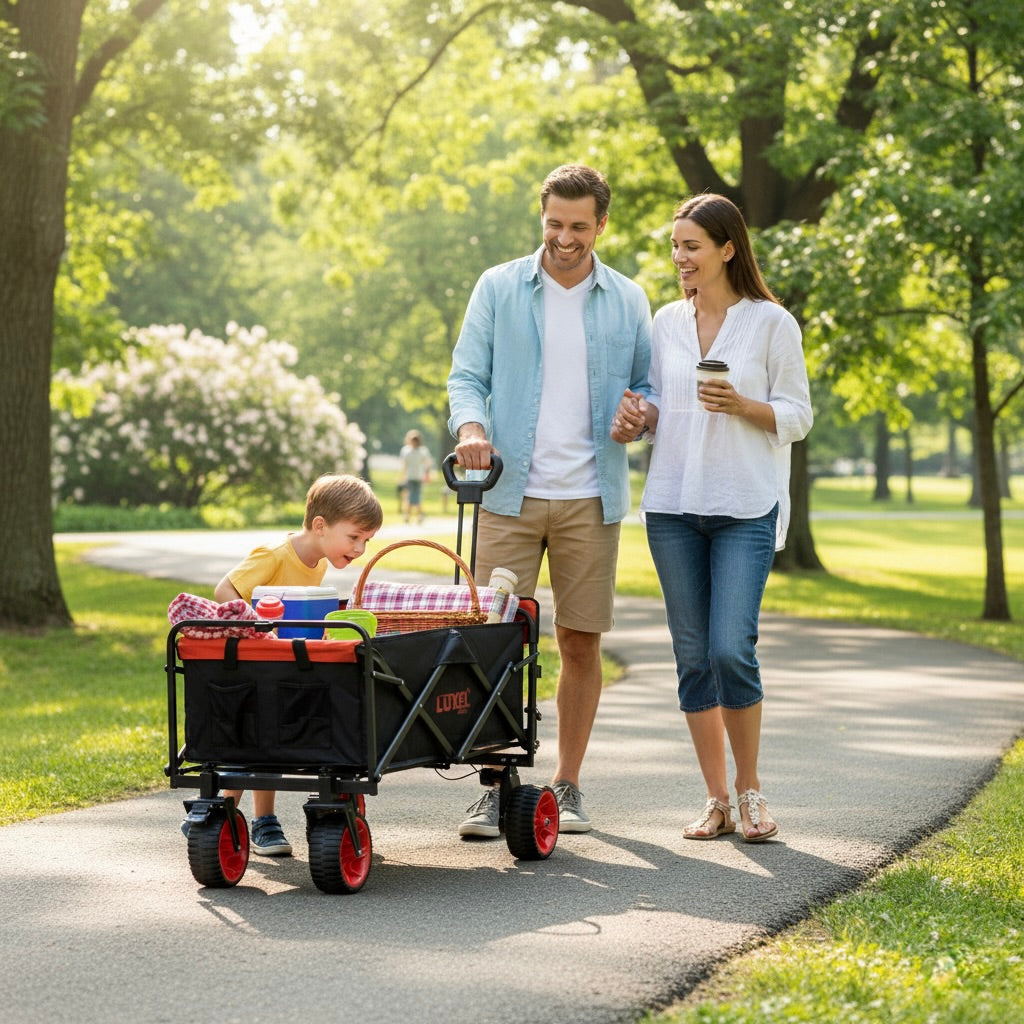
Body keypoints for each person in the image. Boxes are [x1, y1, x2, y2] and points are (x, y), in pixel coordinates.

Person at [447, 163, 652, 837]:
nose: (565, 239)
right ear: (542, 218)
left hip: (591, 497)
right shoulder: (500, 287)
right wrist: (472, 428)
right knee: (492, 641)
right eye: (554, 225)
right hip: (509, 490)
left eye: (579, 227)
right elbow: (467, 376)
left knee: (581, 640)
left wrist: (638, 415)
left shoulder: (627, 299)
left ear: (602, 223)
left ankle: (567, 786)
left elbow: (648, 388)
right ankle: (495, 786)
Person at [611, 193, 813, 843]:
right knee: (694, 658)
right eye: (675, 246)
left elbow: (799, 416)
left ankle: (752, 791)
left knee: (732, 649)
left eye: (691, 246)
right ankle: (716, 799)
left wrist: (743, 405)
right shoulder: (665, 322)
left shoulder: (771, 324)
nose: (679, 258)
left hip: (744, 507)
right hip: (672, 505)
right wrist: (640, 419)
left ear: (728, 248)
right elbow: (655, 408)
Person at [196, 473, 383, 855]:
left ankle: (245, 818)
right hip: (257, 658)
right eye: (354, 537)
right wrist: (256, 627)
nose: (360, 548)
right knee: (261, 740)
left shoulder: (319, 560)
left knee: (274, 739)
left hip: (285, 661)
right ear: (320, 526)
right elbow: (224, 590)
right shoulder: (275, 554)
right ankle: (232, 816)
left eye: (366, 540)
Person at [399, 429, 432, 523]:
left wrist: (427, 474)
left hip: (419, 477)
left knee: (417, 497)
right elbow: (404, 465)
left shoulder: (423, 451)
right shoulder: (406, 450)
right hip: (409, 477)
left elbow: (427, 463)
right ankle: (408, 515)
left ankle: (417, 516)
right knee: (409, 496)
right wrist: (402, 476)